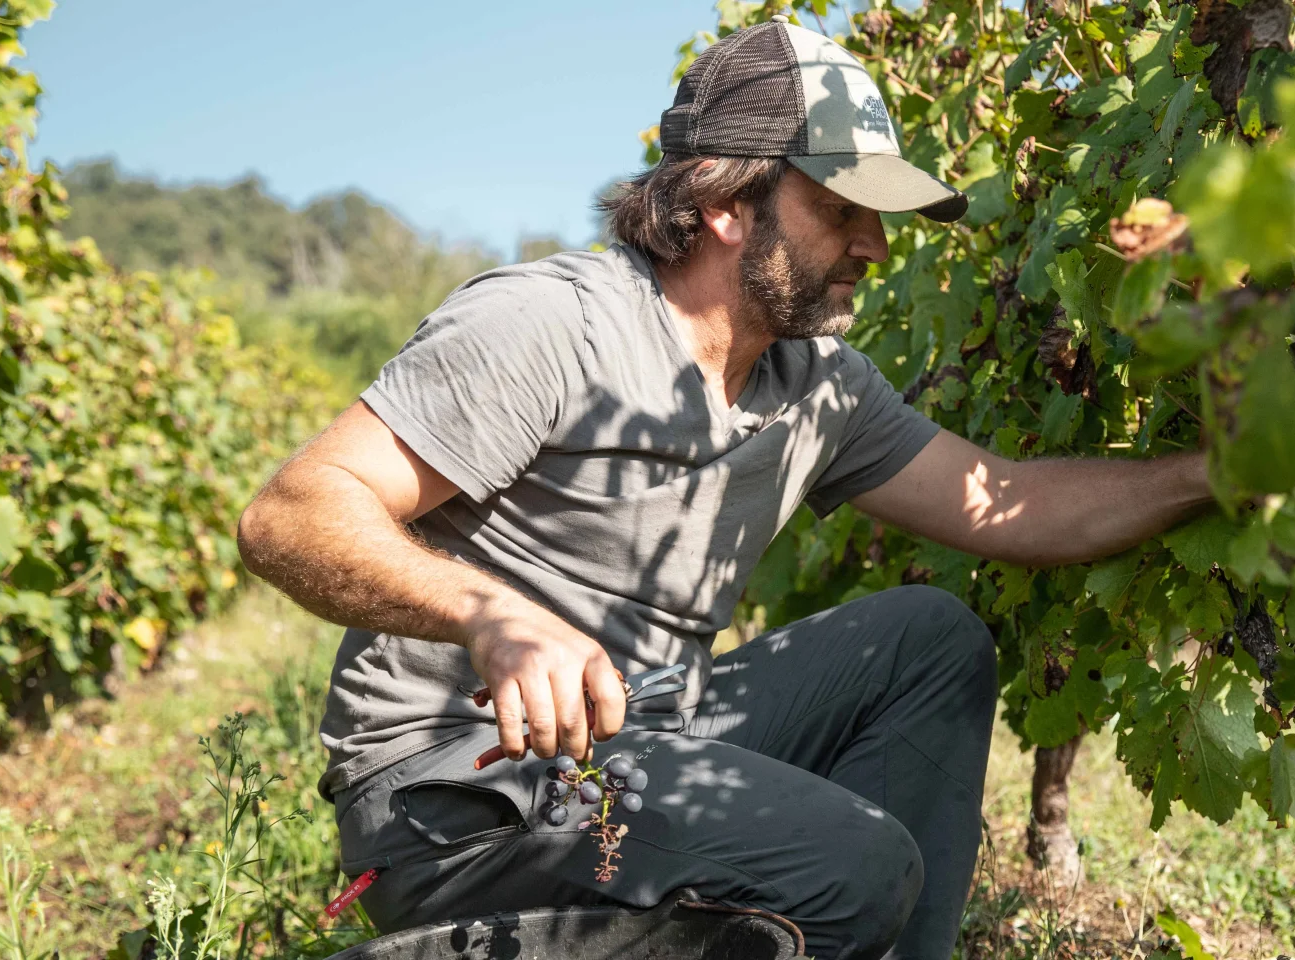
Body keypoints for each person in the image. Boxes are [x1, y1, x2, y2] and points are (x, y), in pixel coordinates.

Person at [238, 16, 1211, 960]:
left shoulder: (816, 388)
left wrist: (1216, 474)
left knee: (930, 642)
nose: (874, 245)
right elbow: (291, 515)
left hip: (643, 738)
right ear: (725, 201)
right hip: (459, 791)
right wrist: (492, 616)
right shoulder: (549, 326)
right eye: (840, 209)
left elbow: (1014, 502)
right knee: (854, 865)